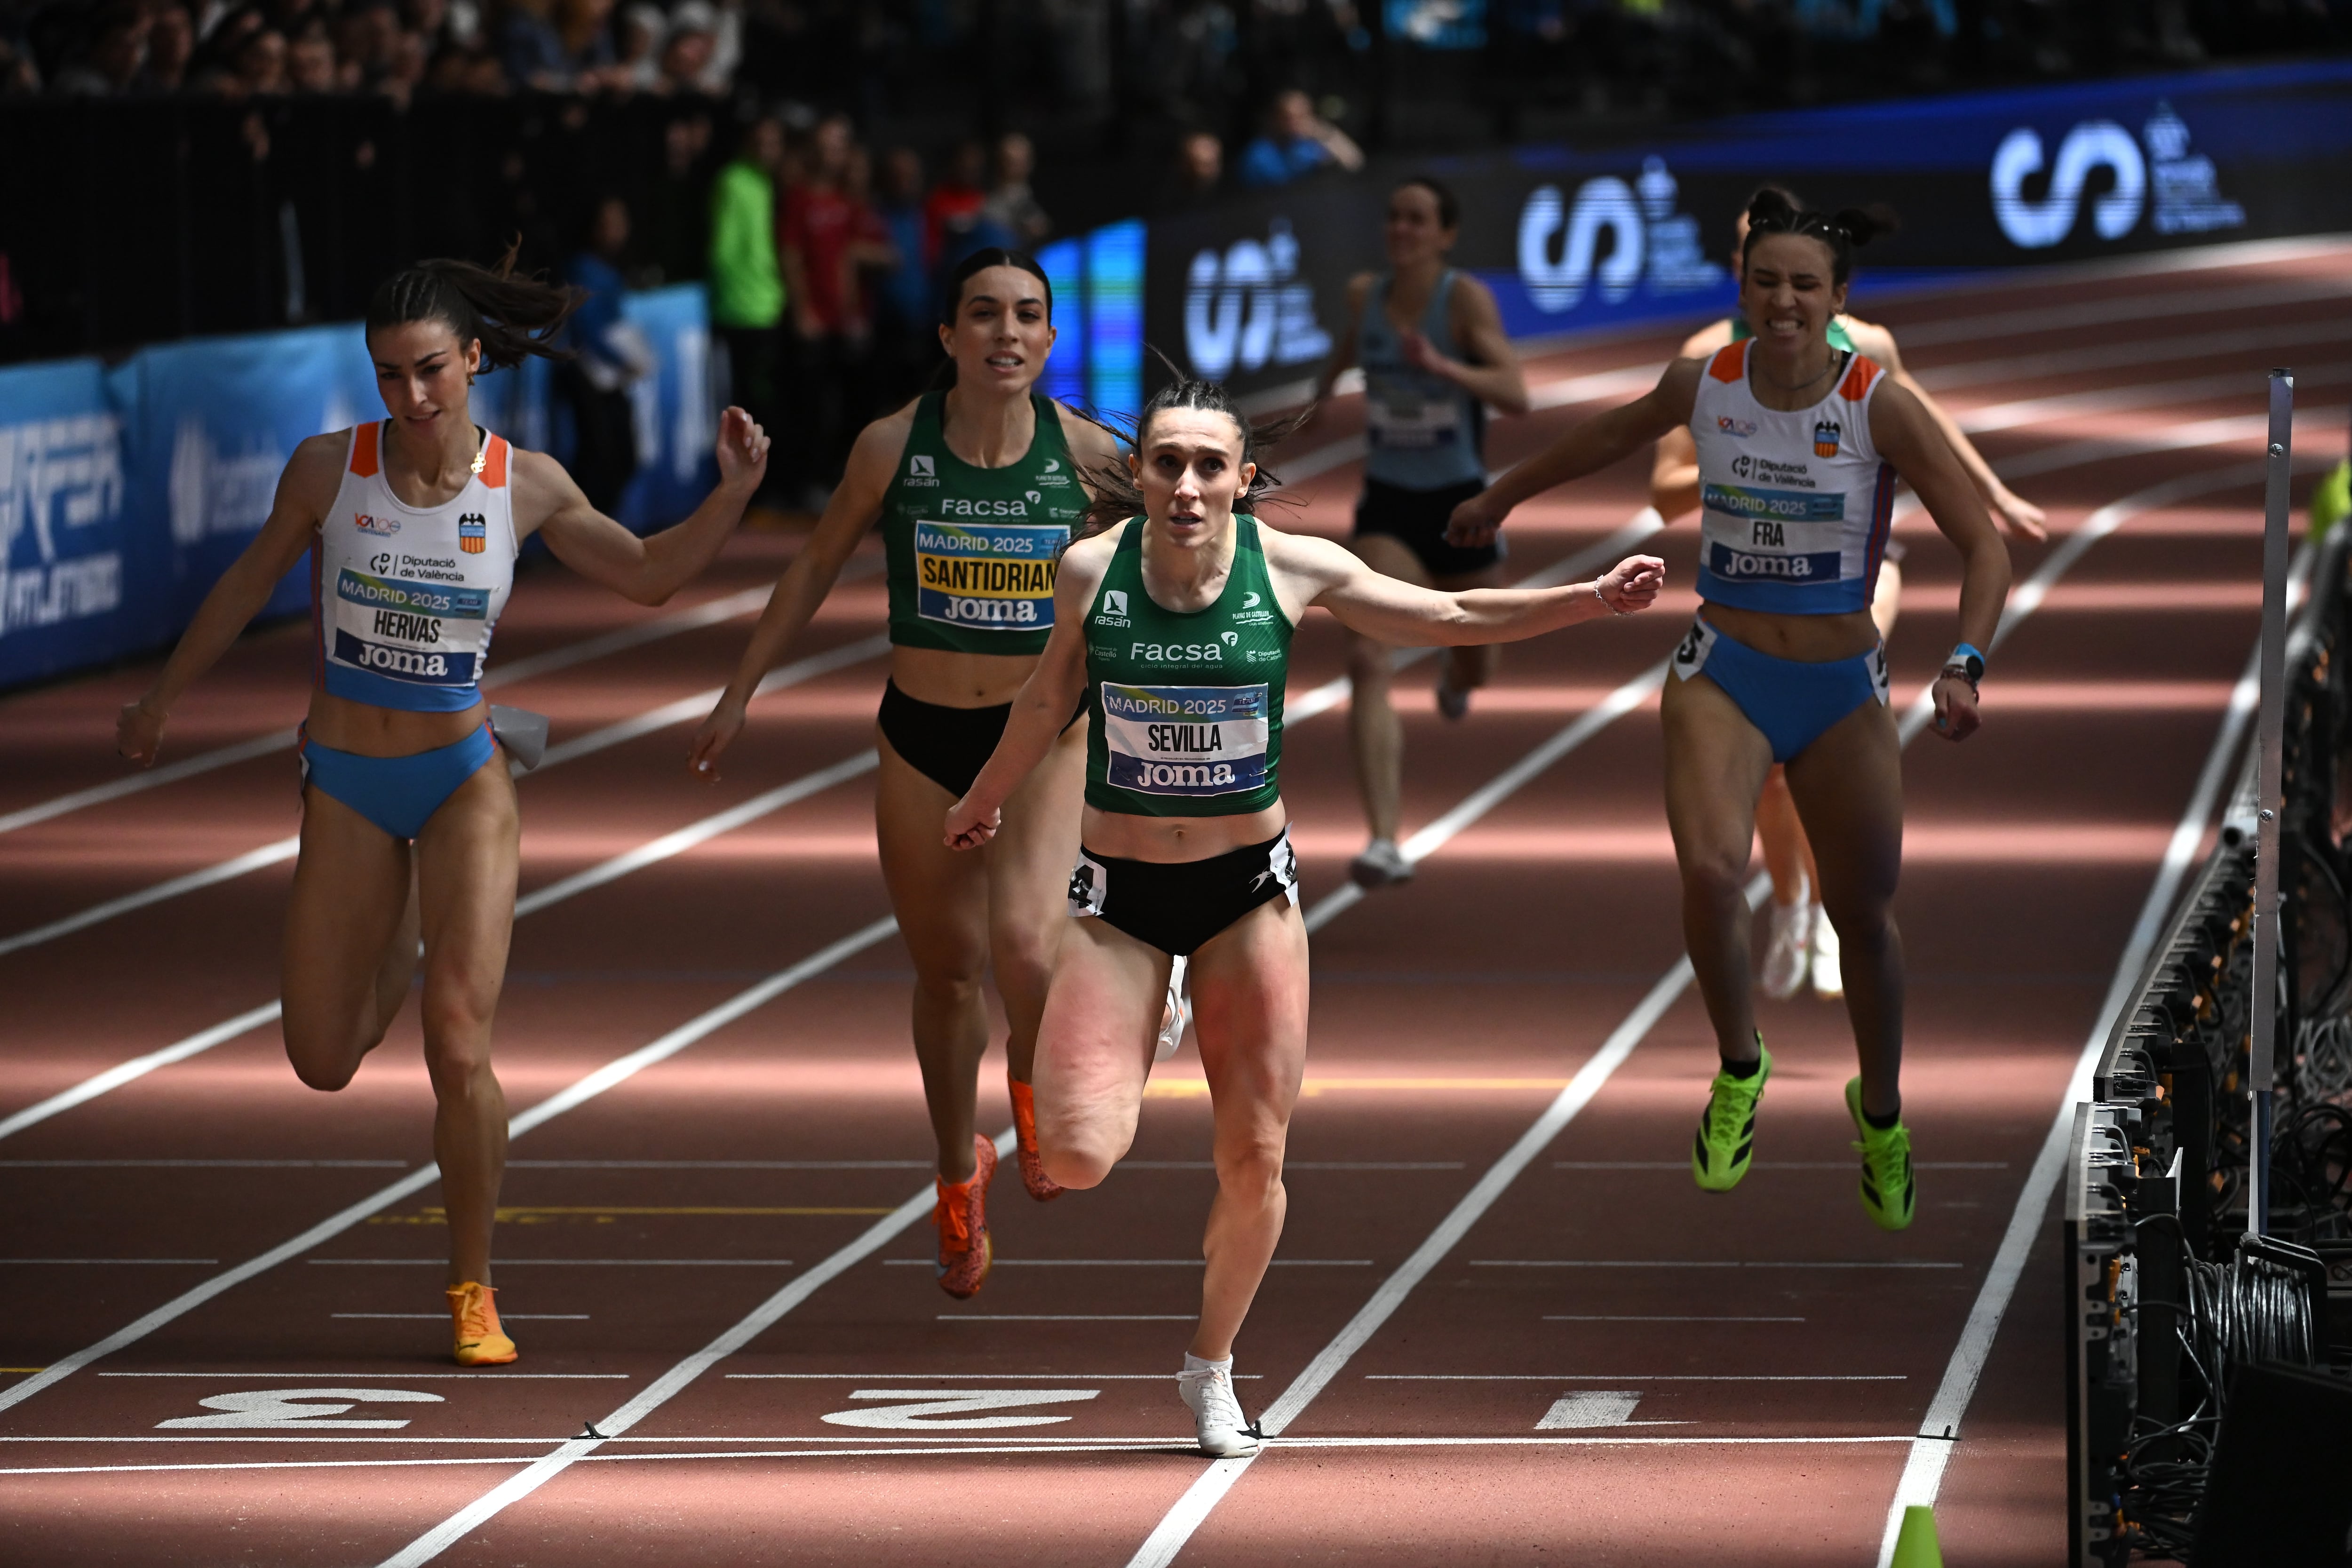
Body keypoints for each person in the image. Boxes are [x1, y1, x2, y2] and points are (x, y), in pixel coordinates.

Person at [943, 374, 1664, 1456]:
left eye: (1206, 465)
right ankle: (1160, 997)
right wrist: (981, 801)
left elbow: (1451, 614)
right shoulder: (1092, 572)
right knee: (1081, 1156)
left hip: (1245, 901)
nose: (1185, 484)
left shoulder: (1293, 570)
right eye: (1165, 462)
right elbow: (1050, 699)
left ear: (1241, 480)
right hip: (1122, 904)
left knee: (1256, 1156)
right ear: (1137, 477)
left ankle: (1211, 1367)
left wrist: (1588, 598)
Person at [115, 250, 771, 1366]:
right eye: (388, 375)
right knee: (323, 1056)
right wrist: (162, 697)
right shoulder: (331, 470)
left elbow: (653, 575)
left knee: (458, 1043)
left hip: (465, 778)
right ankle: (409, 922)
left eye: (430, 371)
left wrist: (735, 493)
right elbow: (245, 581)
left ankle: (472, 1287)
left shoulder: (527, 483)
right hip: (348, 783)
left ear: (473, 361)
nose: (412, 398)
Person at [1451, 191, 2013, 1232]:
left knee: (1865, 920)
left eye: (1805, 285)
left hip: (1843, 689)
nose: (1783, 302)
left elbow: (1985, 545)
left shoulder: (1876, 400)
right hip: (1725, 669)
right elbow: (1602, 439)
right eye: (1765, 283)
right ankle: (1739, 1068)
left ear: (1838, 297)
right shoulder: (1703, 379)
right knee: (1713, 871)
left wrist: (1964, 663)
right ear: (1741, 289)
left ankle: (1879, 1113)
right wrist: (1502, 495)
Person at [687, 250, 1125, 1299]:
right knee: (946, 974)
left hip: (1040, 735)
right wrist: (740, 689)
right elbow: (812, 565)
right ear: (947, 336)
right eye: (983, 315)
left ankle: (1027, 1088)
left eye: (1027, 316)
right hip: (921, 733)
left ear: (1051, 340)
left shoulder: (1090, 456)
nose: (1005, 334)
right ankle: (952, 1172)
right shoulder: (893, 447)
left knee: (1025, 944)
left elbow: (1141, 589)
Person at [1648, 185, 2046, 1002]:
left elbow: (1925, 427)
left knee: (1811, 747)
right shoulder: (1703, 362)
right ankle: (1793, 900)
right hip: (1751, 582)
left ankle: (1839, 911)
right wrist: (1748, 461)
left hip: (1856, 575)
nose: (1768, 281)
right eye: (1748, 259)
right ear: (1741, 272)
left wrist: (1996, 493)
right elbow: (1662, 494)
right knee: (1762, 779)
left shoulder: (1868, 347)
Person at [1310, 176, 1529, 889]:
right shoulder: (1364, 296)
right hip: (1390, 506)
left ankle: (1456, 672)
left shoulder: (1462, 300)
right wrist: (1306, 414)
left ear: (1445, 234)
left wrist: (1442, 367)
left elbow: (1516, 393)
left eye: (1417, 219)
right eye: (1394, 216)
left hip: (1461, 504)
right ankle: (1383, 840)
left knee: (1476, 662)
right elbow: (1345, 355)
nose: (1401, 228)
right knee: (1368, 657)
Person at [707, 114, 786, 502]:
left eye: (775, 143)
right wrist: (726, 296)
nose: (770, 151)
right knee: (748, 404)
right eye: (763, 142)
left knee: (764, 401)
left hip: (767, 303)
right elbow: (723, 248)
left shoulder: (765, 182)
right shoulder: (733, 181)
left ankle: (762, 484)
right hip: (740, 309)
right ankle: (749, 487)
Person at [562, 195, 652, 516]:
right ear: (594, 228)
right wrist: (624, 360)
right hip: (585, 375)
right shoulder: (582, 269)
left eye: (621, 223)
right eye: (608, 224)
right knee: (599, 455)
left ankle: (597, 527)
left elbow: (614, 326)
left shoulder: (611, 271)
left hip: (610, 377)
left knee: (624, 455)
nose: (617, 231)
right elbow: (586, 329)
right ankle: (579, 531)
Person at [1238, 88, 1364, 189]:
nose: (1295, 123)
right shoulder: (1258, 153)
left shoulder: (1310, 147)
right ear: (1276, 119)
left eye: (1302, 116)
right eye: (1288, 118)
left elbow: (1354, 162)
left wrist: (1323, 132)